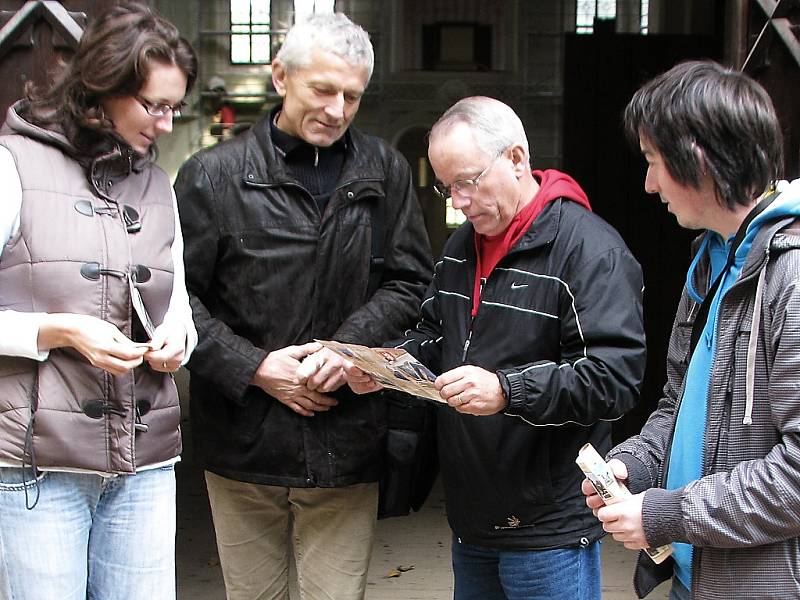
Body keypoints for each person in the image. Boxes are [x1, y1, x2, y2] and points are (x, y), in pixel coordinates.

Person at [345, 96, 646, 600]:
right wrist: (387, 366)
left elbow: (614, 379)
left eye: (467, 181)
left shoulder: (590, 249)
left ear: (516, 159)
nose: (457, 200)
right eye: (447, 186)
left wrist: (508, 390)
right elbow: (437, 336)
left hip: (548, 526)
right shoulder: (462, 246)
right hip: (473, 518)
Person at [174, 12, 432, 600]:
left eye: (352, 96)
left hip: (346, 437)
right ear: (279, 77)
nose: (337, 110)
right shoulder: (214, 176)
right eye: (323, 90)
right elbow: (174, 300)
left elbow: (410, 281)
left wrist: (345, 352)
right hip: (243, 442)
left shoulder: (385, 170)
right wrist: (256, 368)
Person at [582, 60, 800, 599]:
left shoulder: (792, 276)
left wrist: (664, 513)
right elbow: (679, 401)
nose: (649, 184)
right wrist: (637, 462)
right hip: (693, 575)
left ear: (699, 160)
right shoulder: (710, 259)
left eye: (655, 162)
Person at [0, 4, 197, 599]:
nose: (165, 123)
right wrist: (57, 330)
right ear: (100, 89)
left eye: (174, 106)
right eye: (153, 105)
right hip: (40, 463)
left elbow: (180, 310)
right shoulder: (12, 166)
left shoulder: (160, 185)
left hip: (147, 462)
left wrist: (175, 344)